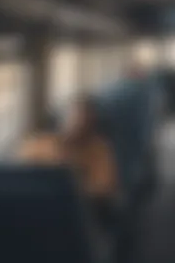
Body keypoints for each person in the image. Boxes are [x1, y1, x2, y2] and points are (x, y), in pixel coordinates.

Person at [19, 96, 119, 234]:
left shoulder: (98, 149)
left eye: (85, 119)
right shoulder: (38, 145)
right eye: (74, 117)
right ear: (62, 119)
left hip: (81, 210)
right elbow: (18, 177)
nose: (78, 124)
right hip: (38, 208)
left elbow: (103, 188)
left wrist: (71, 185)